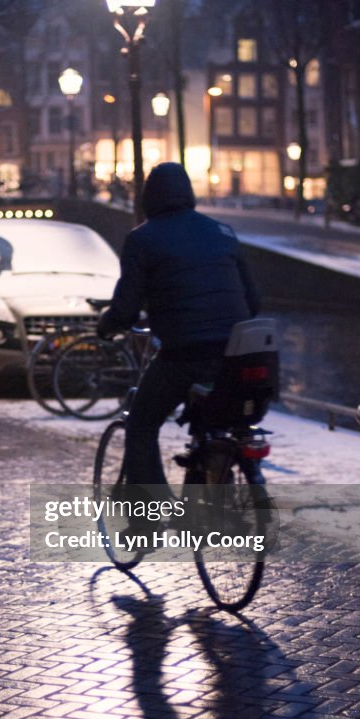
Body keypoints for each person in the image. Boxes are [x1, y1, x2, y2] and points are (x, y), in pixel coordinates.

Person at [97, 162, 260, 487]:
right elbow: (253, 302)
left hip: (183, 357)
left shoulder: (142, 239)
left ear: (149, 198)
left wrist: (107, 325)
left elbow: (126, 309)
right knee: (217, 420)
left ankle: (149, 514)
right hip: (236, 356)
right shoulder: (223, 233)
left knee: (141, 424)